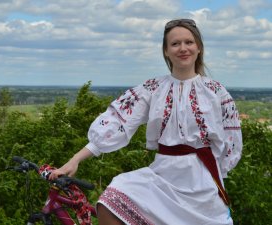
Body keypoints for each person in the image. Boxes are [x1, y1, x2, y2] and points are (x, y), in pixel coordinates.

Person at [49, 19, 242, 225]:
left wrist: (215, 176)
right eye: (175, 44)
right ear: (166, 51)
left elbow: (231, 143)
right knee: (109, 201)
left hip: (202, 184)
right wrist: (75, 160)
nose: (183, 48)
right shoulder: (153, 88)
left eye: (189, 42)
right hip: (162, 178)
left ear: (199, 48)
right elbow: (118, 123)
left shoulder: (216, 91)